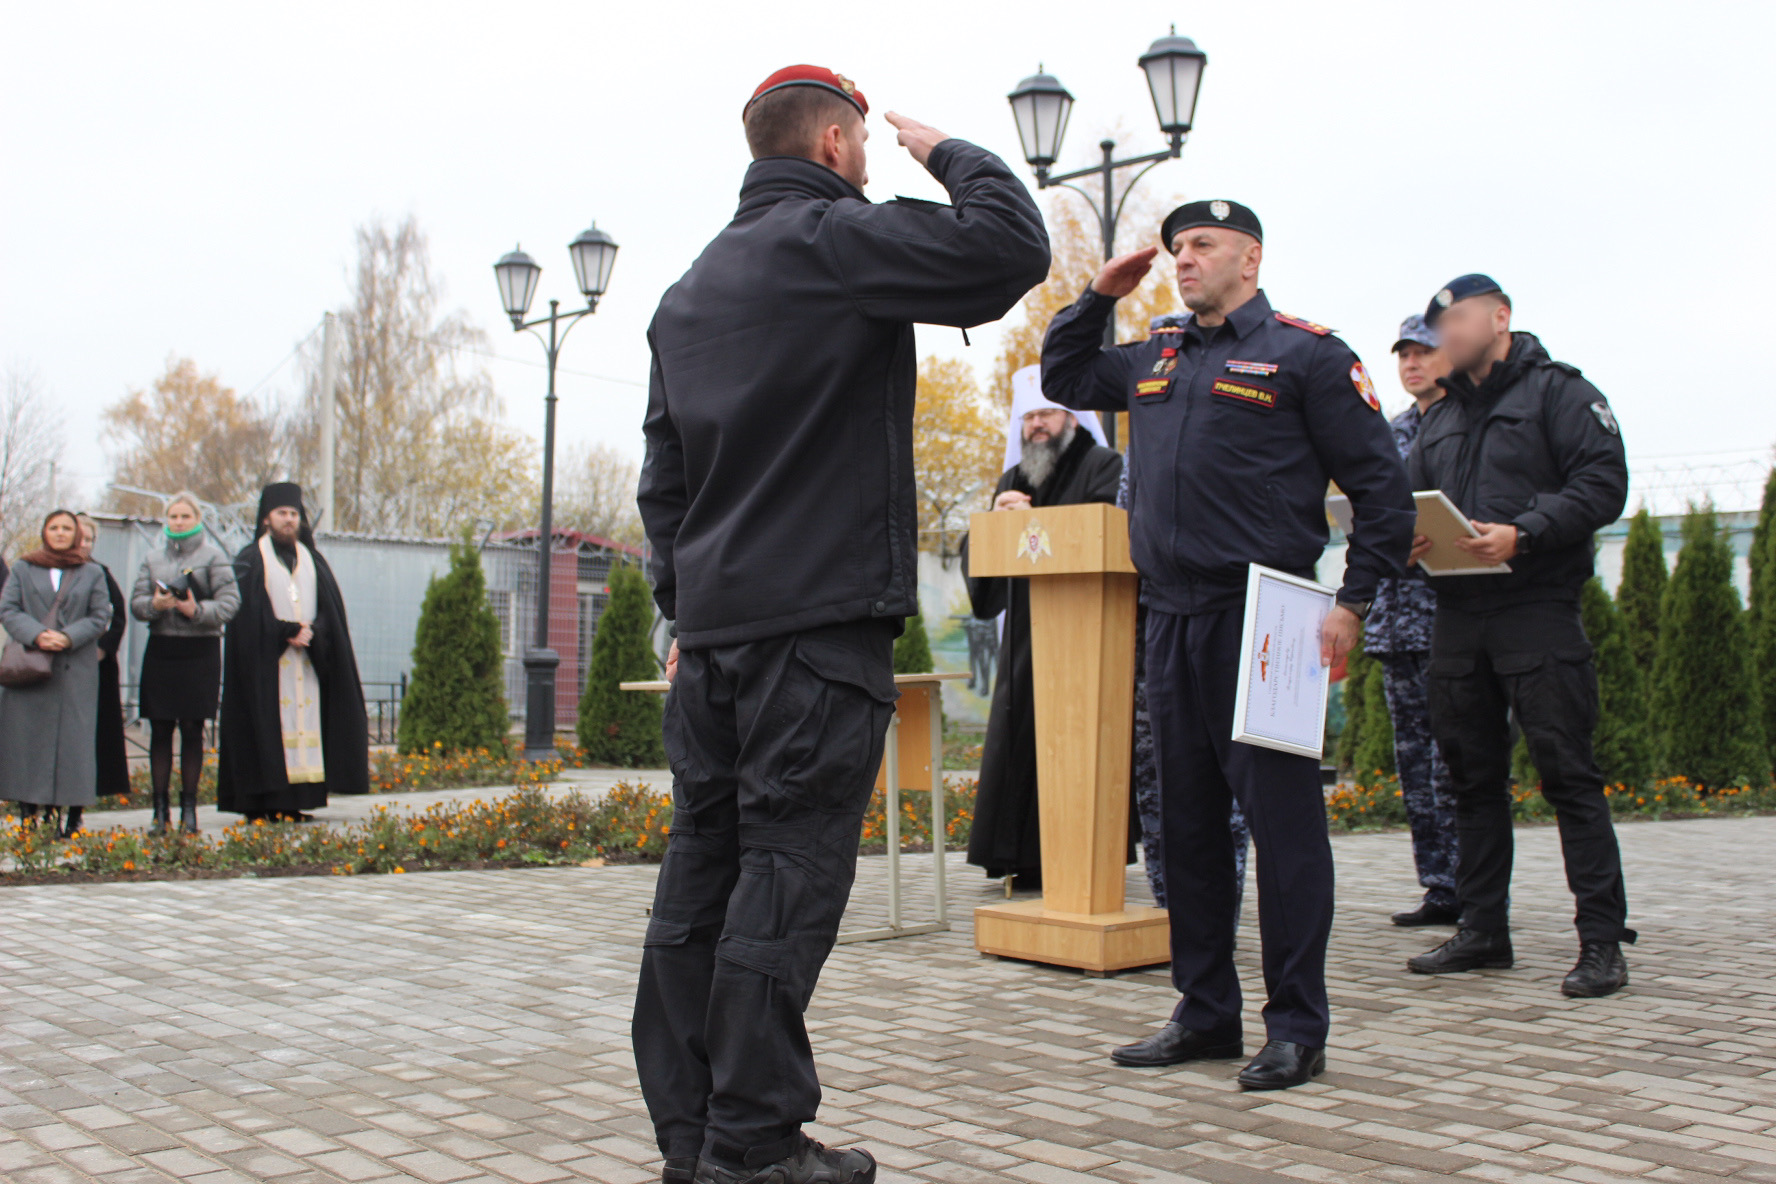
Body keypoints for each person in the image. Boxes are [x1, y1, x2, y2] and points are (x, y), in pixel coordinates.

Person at [634, 65, 1048, 1184]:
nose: (867, 159)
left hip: (716, 646)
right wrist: (947, 150)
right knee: (786, 877)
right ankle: (755, 1145)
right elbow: (1011, 248)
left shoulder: (685, 292)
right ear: (832, 145)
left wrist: (682, 609)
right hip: (815, 637)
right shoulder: (835, 238)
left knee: (700, 876)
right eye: (861, 141)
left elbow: (664, 483)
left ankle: (693, 1138)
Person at [1041, 200, 1414, 1090]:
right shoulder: (1157, 354)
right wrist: (1098, 295)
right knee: (1187, 827)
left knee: (1283, 830)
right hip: (1170, 615)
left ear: (1251, 258)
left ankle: (1297, 1026)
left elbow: (1382, 492)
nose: (1184, 258)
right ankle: (1205, 1011)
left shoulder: (1308, 355)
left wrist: (1353, 601)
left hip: (1266, 615)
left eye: (1203, 244)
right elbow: (1066, 374)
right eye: (1177, 247)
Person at [1403, 274, 1633, 997]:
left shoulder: (1558, 393)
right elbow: (1410, 498)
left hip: (1537, 606)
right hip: (1458, 614)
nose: (1444, 335)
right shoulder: (1442, 415)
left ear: (1500, 317)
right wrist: (1405, 538)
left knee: (1568, 776)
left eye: (1457, 320)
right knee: (1470, 781)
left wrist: (1524, 532)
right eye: (1438, 326)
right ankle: (1483, 931)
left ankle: (1602, 942)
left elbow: (1604, 483)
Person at [963, 364, 1120, 889]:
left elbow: (1106, 535)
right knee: (1021, 745)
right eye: (1028, 417)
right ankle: (1019, 857)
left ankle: (1078, 859)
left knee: (1077, 747)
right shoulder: (1014, 478)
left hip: (1084, 636)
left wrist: (1030, 523)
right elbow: (984, 569)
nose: (1036, 425)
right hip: (1025, 639)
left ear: (1072, 418)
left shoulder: (1104, 466)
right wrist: (993, 521)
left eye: (1047, 413)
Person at [1127, 316, 1252, 918]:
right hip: (1152, 626)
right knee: (1167, 783)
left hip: (1224, 614)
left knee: (1229, 777)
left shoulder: (1220, 425)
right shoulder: (1139, 446)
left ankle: (1222, 906)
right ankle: (1175, 907)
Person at [1367, 316, 1461, 927]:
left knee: (1455, 763)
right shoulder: (1390, 432)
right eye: (1403, 354)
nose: (1411, 364)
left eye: (1423, 352)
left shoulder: (1468, 424)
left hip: (1450, 616)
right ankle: (1439, 886)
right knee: (1415, 766)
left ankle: (1473, 886)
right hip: (1396, 622)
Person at [216, 483, 368, 821]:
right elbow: (246, 615)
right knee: (266, 728)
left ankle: (295, 803)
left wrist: (314, 632)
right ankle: (261, 805)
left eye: (294, 514)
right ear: (266, 518)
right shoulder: (250, 559)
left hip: (307, 663)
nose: (288, 519)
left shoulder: (313, 560)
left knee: (305, 725)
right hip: (266, 667)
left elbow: (332, 612)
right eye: (282, 513)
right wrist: (286, 631)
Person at [0, 510, 115, 837]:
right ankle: (28, 814)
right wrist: (37, 634)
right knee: (27, 742)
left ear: (76, 533)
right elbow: (8, 609)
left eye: (67, 527)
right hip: (31, 667)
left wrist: (67, 637)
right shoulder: (24, 568)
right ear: (44, 531)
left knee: (71, 745)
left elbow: (99, 616)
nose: (60, 532)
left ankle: (65, 815)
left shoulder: (91, 571)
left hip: (74, 670)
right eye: (54, 527)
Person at [131, 493, 240, 832]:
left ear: (197, 520)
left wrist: (196, 610)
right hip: (162, 650)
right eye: (173, 516)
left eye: (185, 516)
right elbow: (136, 603)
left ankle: (189, 810)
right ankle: (159, 811)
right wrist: (155, 605)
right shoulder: (152, 558)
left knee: (193, 730)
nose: (178, 522)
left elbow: (231, 603)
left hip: (200, 651)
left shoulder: (213, 557)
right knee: (160, 730)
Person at [76, 515, 132, 802]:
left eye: (89, 539)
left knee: (93, 737)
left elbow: (117, 616)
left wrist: (103, 648)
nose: (84, 544)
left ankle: (80, 805)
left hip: (95, 667)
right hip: (55, 665)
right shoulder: (43, 571)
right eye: (80, 537)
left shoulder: (100, 572)